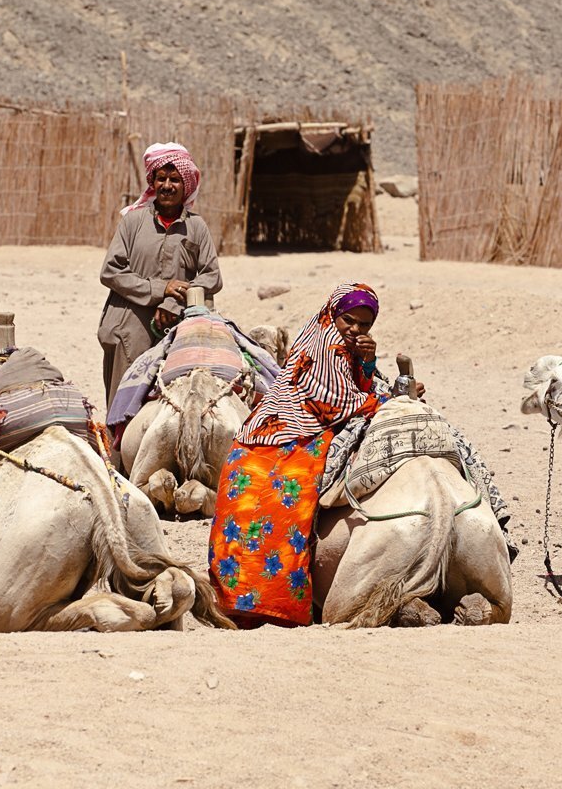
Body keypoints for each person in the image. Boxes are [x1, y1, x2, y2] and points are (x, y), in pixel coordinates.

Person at [207, 283, 395, 627]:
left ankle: (246, 599)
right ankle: (258, 600)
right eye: (349, 320)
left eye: (364, 325)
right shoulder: (326, 341)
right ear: (333, 315)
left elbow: (356, 385)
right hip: (292, 429)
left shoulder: (349, 346)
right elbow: (334, 402)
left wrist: (368, 361)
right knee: (285, 506)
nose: (354, 330)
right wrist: (387, 401)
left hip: (296, 425)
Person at [97, 142, 222, 407]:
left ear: (185, 185)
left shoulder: (197, 227)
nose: (167, 185)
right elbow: (111, 271)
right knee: (124, 402)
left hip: (177, 320)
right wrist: (160, 289)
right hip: (129, 326)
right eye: (161, 178)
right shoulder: (132, 222)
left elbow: (211, 276)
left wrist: (173, 300)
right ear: (152, 182)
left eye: (175, 179)